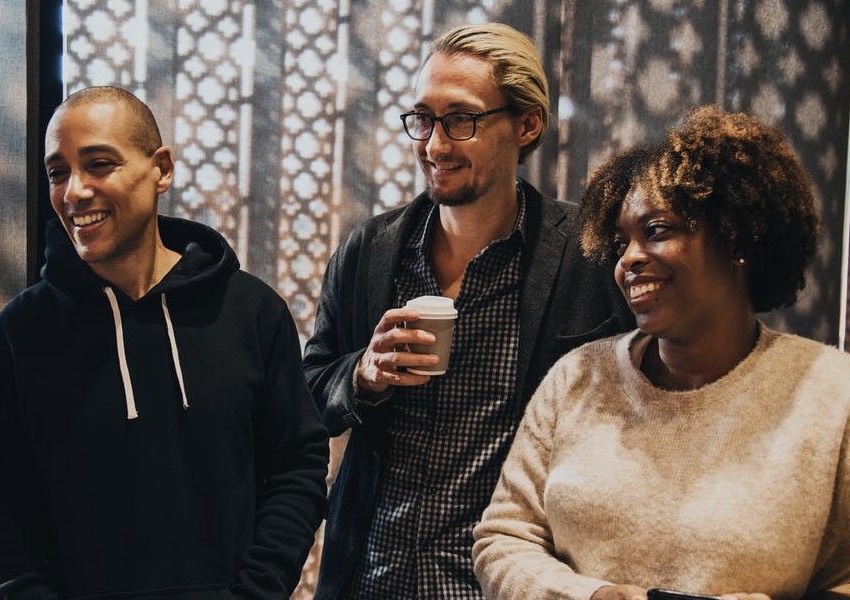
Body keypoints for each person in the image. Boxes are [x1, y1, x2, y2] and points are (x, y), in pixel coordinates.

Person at [0, 86, 329, 600]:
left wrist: (258, 591)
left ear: (162, 169)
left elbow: (297, 465)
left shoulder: (252, 312)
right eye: (58, 172)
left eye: (99, 165)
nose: (73, 191)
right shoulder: (19, 333)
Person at [302, 23, 633, 599]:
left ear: (527, 125)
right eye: (423, 119)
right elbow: (307, 392)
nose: (434, 145)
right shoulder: (370, 252)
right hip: (371, 578)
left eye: (460, 119)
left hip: (499, 583)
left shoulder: (589, 257)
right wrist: (363, 375)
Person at [472, 106, 850, 599]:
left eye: (656, 231)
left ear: (737, 238)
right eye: (619, 243)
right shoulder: (577, 378)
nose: (628, 259)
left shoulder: (832, 394)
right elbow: (503, 539)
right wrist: (591, 597)